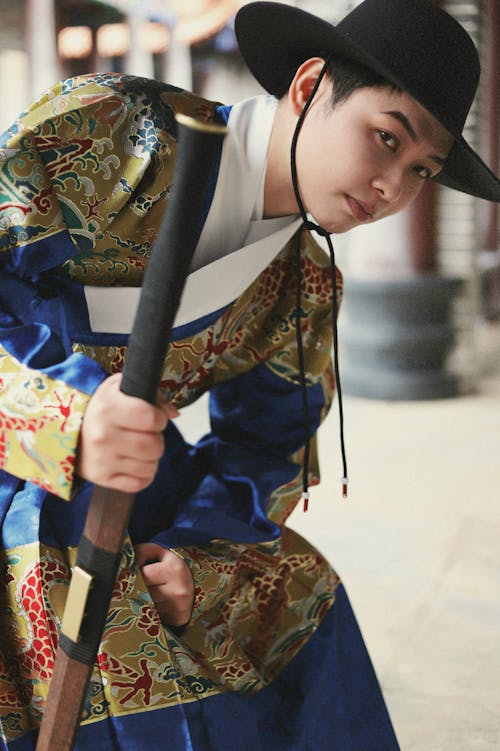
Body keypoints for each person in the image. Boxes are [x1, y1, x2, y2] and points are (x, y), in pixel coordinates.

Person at [0, 0, 498, 749]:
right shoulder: (108, 132)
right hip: (19, 455)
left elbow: (270, 447)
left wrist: (198, 558)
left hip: (133, 484)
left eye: (419, 169)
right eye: (385, 137)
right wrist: (64, 419)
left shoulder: (304, 283)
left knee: (298, 593)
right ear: (307, 87)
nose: (393, 187)